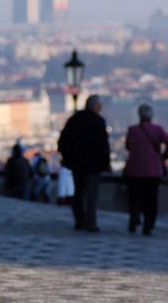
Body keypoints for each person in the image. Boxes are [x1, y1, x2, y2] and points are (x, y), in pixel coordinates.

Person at [57, 95, 111, 233]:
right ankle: (91, 222)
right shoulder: (98, 121)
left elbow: (62, 141)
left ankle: (79, 220)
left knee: (78, 192)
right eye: (100, 105)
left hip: (77, 163)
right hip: (93, 165)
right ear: (95, 106)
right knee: (91, 194)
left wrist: (67, 157)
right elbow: (103, 145)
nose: (101, 107)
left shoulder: (75, 119)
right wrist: (106, 163)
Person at [124, 104, 168, 236]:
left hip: (134, 170)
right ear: (151, 116)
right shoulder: (157, 130)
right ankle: (148, 226)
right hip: (153, 171)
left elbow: (128, 146)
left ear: (139, 115)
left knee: (134, 197)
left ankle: (134, 217)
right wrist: (163, 157)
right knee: (151, 200)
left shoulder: (132, 130)